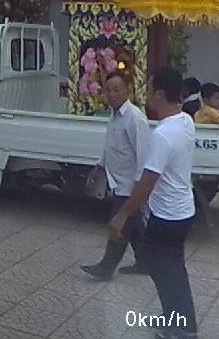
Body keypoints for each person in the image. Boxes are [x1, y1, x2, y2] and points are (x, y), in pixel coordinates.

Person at [110, 67, 198, 339]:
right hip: (183, 210)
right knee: (171, 267)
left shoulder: (163, 134)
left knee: (165, 270)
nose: (146, 94)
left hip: (168, 216)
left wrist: (122, 215)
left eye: (149, 89)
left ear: (159, 94)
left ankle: (182, 328)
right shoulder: (185, 121)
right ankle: (176, 318)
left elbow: (147, 181)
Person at [81, 72, 149, 281]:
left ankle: (106, 267)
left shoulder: (135, 118)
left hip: (129, 185)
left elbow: (144, 156)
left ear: (127, 90)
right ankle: (145, 262)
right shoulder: (114, 115)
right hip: (116, 181)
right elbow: (109, 146)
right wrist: (98, 167)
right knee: (133, 226)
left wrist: (139, 188)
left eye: (116, 89)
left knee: (118, 225)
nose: (112, 94)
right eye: (108, 90)